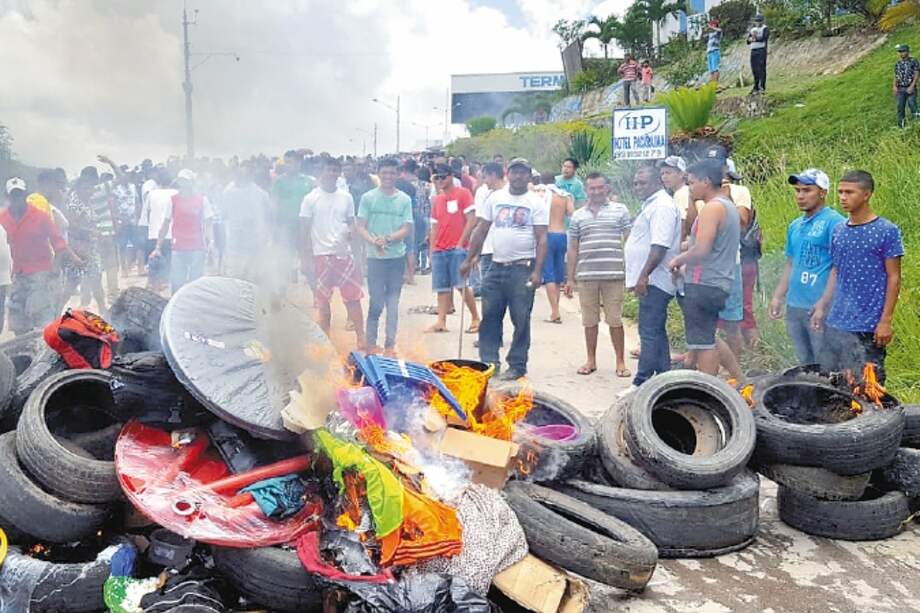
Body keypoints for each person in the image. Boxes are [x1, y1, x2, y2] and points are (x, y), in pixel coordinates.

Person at [461, 158, 548, 380]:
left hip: (522, 268)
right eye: (515, 172)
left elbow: (542, 238)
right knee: (490, 316)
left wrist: (538, 271)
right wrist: (469, 258)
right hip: (495, 266)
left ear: (529, 176)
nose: (519, 177)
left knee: (521, 319)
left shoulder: (535, 202)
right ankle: (489, 363)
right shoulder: (495, 198)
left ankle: (517, 365)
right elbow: (480, 230)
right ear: (508, 174)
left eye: (523, 173)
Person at [812, 171, 902, 382]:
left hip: (869, 324)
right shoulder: (839, 230)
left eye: (849, 192)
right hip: (837, 320)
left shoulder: (886, 231)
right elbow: (836, 269)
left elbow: (894, 277)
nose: (843, 197)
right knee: (833, 382)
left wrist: (885, 321)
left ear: (866, 194)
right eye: (841, 192)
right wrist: (822, 304)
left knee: (869, 384)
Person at [667, 159, 741, 377]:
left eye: (692, 183)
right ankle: (742, 379)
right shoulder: (727, 206)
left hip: (704, 283)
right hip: (719, 280)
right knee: (708, 336)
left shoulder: (712, 208)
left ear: (706, 182)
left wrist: (677, 261)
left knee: (703, 344)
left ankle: (708, 388)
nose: (690, 188)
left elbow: (702, 249)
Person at [768, 169, 844, 365]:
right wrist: (777, 296)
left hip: (819, 307)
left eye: (807, 190)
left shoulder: (834, 223)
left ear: (822, 192)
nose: (800, 196)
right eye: (797, 190)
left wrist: (823, 304)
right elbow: (791, 263)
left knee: (825, 363)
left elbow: (839, 267)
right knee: (804, 362)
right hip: (795, 306)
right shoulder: (795, 225)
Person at [563, 172, 632, 377]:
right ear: (586, 190)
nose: (596, 192)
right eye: (592, 188)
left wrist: (631, 270)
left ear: (607, 188)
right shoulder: (578, 215)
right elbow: (573, 248)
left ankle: (620, 361)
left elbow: (629, 240)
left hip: (614, 274)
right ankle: (591, 360)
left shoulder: (620, 211)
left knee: (615, 320)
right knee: (589, 321)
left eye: (600, 187)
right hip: (586, 276)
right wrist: (570, 278)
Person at [621, 167, 681, 394]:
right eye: (636, 183)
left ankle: (641, 382)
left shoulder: (663, 206)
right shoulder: (653, 204)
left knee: (648, 331)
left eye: (643, 183)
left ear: (658, 182)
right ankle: (665, 379)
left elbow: (660, 245)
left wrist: (643, 275)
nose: (638, 187)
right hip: (651, 279)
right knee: (655, 330)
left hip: (656, 279)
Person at [0, 178, 79, 335]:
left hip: (40, 271)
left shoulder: (40, 216)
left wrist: (55, 268)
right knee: (18, 318)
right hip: (17, 273)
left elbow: (59, 243)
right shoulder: (3, 218)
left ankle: (44, 349)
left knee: (41, 316)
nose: (17, 199)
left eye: (20, 195)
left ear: (25, 195)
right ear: (8, 197)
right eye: (14, 195)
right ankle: (22, 350)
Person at [301, 157, 366, 348]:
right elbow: (303, 229)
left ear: (339, 173)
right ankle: (325, 341)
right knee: (323, 302)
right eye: (328, 170)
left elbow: (352, 223)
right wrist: (305, 258)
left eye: (335, 170)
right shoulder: (310, 199)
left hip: (343, 255)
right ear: (321, 172)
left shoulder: (346, 197)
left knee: (353, 298)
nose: (332, 174)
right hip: (320, 255)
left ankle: (361, 337)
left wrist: (353, 242)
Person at [356, 157, 413, 355]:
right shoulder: (368, 198)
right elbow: (360, 226)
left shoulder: (404, 199)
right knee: (376, 302)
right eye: (384, 173)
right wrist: (373, 241)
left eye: (392, 173)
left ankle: (390, 345)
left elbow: (407, 227)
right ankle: (371, 345)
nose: (388, 176)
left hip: (396, 258)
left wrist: (387, 239)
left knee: (393, 303)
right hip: (375, 259)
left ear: (397, 174)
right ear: (378, 174)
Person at [427, 164, 480, 334]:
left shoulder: (463, 193)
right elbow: (434, 227)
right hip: (440, 249)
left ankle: (475, 317)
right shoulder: (437, 200)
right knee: (441, 287)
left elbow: (472, 220)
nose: (440, 181)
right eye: (437, 178)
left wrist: (461, 243)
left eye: (443, 177)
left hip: (458, 248)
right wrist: (432, 249)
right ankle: (441, 321)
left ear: (450, 176)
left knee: (461, 285)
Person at [151, 169, 215, 294]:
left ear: (192, 183)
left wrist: (211, 242)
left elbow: (208, 224)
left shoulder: (202, 200)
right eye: (181, 181)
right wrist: (157, 246)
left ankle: (194, 308)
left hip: (197, 247)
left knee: (195, 283)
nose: (183, 184)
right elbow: (165, 224)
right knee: (177, 282)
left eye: (185, 181)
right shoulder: (173, 200)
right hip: (178, 247)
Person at [64, 167, 107, 313]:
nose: (90, 191)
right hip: (77, 250)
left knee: (97, 282)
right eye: (87, 188)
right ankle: (54, 315)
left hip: (90, 248)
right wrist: (92, 232)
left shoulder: (87, 202)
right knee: (70, 285)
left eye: (91, 188)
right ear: (80, 188)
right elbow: (71, 227)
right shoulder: (74, 203)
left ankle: (105, 313)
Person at [220, 161, 271, 281]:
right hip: (235, 243)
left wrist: (266, 236)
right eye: (240, 174)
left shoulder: (261, 194)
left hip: (254, 243)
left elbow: (268, 217)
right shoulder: (228, 192)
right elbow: (223, 214)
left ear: (251, 176)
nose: (242, 178)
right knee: (234, 277)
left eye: (245, 175)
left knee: (253, 277)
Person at [271, 150, 315, 280]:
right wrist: (274, 228)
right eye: (286, 162)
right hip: (285, 227)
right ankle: (281, 293)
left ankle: (316, 294)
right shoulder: (279, 182)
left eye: (290, 162)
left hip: (305, 228)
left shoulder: (309, 182)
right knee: (284, 262)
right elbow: (274, 204)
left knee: (308, 262)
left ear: (299, 164)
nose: (287, 165)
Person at [538, 171, 574, 324]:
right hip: (562, 235)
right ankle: (556, 308)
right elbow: (572, 213)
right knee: (559, 273)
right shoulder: (564, 195)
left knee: (549, 274)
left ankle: (555, 311)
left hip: (548, 235)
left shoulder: (541, 194)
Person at [141, 170, 176, 292]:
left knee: (154, 263)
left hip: (154, 232)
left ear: (158, 181)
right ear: (172, 181)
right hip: (170, 232)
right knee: (168, 262)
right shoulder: (176, 193)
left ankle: (154, 286)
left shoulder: (152, 194)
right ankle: (165, 284)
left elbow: (147, 213)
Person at [395, 161, 419, 285]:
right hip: (409, 220)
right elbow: (415, 207)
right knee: (410, 249)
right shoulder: (410, 187)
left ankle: (400, 275)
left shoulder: (392, 185)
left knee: (397, 247)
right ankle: (411, 277)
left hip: (395, 220)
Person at [893, 43, 919, 128]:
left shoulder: (913, 61)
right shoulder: (898, 64)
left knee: (912, 105)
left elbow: (916, 74)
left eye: (903, 51)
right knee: (900, 107)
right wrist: (894, 86)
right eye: (900, 51)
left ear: (907, 51)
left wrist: (912, 86)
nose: (901, 53)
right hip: (900, 88)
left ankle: (917, 124)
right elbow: (896, 75)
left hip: (910, 87)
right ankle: (901, 127)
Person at [747, 14, 769, 93]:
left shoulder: (765, 28)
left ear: (762, 21)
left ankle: (762, 86)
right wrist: (751, 38)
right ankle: (755, 86)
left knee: (761, 68)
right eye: (756, 21)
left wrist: (755, 38)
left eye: (759, 21)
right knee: (754, 69)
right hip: (753, 50)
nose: (757, 22)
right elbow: (748, 41)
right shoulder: (752, 29)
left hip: (761, 50)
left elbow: (764, 38)